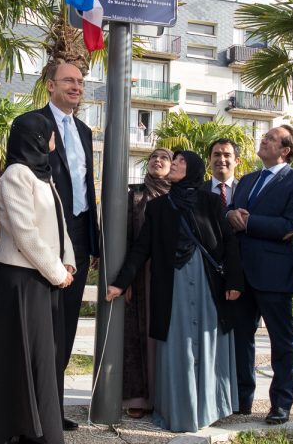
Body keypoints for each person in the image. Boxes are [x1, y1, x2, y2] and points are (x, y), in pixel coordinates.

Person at [106, 150, 243, 432]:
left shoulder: (209, 201)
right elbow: (141, 248)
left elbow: (229, 243)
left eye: (181, 161)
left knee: (206, 345)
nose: (175, 164)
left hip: (207, 284)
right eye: (175, 160)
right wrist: (121, 282)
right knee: (177, 344)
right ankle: (180, 411)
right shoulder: (158, 208)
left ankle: (208, 408)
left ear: (192, 168)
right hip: (172, 286)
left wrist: (234, 282)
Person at [0, 112, 76, 444]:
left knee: (42, 356)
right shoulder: (17, 175)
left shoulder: (43, 175)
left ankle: (34, 428)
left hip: (44, 277)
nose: (53, 140)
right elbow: (24, 233)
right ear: (35, 137)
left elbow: (60, 225)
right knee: (22, 354)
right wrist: (58, 271)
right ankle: (17, 429)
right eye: (49, 134)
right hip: (21, 278)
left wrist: (69, 261)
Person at [227, 124, 293, 425]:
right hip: (241, 273)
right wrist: (230, 215)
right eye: (264, 137)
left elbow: (292, 226)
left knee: (282, 342)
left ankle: (281, 404)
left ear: (285, 150)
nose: (263, 140)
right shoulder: (247, 180)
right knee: (240, 339)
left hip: (275, 274)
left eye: (271, 138)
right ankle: (241, 400)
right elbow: (232, 213)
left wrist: (249, 223)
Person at [34, 62, 100, 431]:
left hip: (77, 236)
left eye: (80, 81)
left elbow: (87, 188)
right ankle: (33, 411)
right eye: (69, 81)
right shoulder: (32, 124)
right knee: (42, 328)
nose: (77, 87)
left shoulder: (86, 131)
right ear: (50, 85)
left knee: (66, 330)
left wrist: (91, 243)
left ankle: (53, 410)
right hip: (44, 238)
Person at [122, 147, 173, 418]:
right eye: (154, 157)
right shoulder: (135, 196)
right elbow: (127, 240)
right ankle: (139, 398)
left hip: (171, 276)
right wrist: (126, 279)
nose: (158, 161)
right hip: (141, 274)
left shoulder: (179, 195)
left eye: (164, 157)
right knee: (138, 336)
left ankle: (166, 396)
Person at [206, 138, 241, 208]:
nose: (222, 160)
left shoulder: (245, 189)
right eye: (217, 155)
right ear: (209, 160)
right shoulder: (198, 190)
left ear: (237, 161)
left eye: (227, 155)